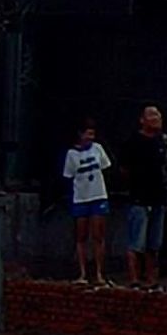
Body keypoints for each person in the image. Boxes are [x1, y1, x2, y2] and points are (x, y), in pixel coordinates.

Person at [115, 105, 167, 292]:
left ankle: (151, 278)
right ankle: (133, 279)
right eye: (152, 114)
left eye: (158, 114)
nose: (156, 117)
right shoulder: (133, 141)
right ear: (142, 119)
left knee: (154, 243)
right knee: (136, 242)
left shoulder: (163, 142)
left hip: (158, 198)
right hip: (139, 198)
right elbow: (123, 169)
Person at [61, 119, 113, 286]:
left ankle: (99, 273)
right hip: (81, 198)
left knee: (98, 235)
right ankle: (82, 272)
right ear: (80, 134)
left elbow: (106, 167)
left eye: (93, 134)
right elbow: (68, 177)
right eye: (88, 134)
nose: (90, 137)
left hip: (98, 196)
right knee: (81, 236)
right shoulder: (71, 154)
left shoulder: (98, 149)